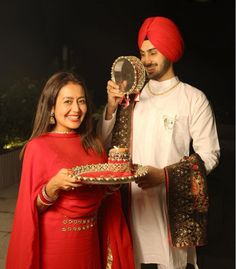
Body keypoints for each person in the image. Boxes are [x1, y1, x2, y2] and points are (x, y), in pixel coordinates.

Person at [97, 16, 220, 269]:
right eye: (142, 54)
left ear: (171, 50)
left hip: (170, 211)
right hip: (129, 208)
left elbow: (210, 155)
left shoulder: (193, 99)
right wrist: (111, 107)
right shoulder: (132, 96)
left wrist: (164, 176)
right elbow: (105, 144)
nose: (146, 61)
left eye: (153, 52)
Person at [6, 71, 135, 269]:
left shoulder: (94, 144)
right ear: (51, 107)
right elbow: (30, 210)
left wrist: (113, 183)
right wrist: (52, 187)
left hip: (90, 244)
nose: (76, 109)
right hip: (56, 247)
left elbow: (103, 195)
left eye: (81, 101)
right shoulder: (37, 147)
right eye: (68, 101)